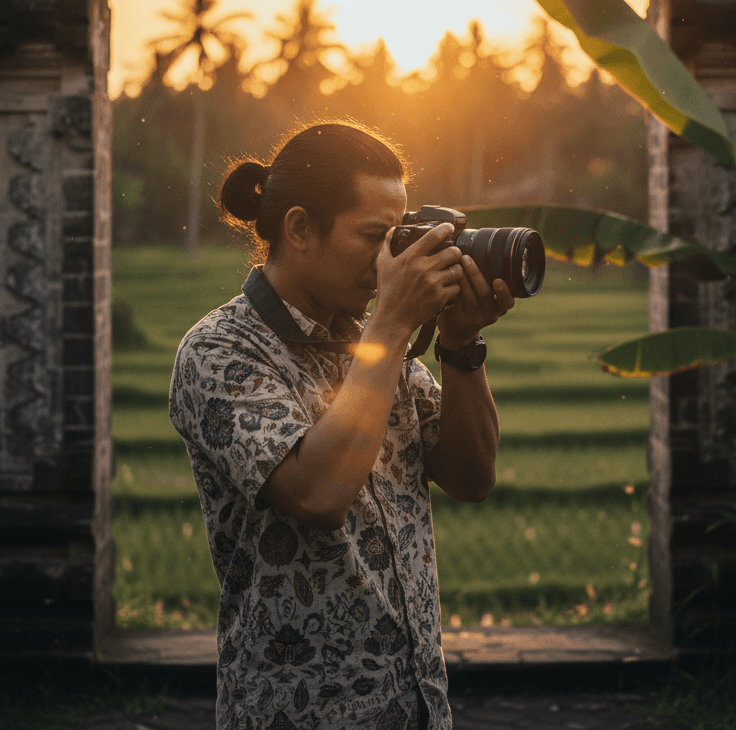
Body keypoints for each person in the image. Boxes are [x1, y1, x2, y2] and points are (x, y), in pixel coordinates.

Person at [169, 121, 515, 729]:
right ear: (300, 229)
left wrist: (460, 344)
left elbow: (471, 476)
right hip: (298, 714)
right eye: (373, 237)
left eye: (398, 235)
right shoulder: (219, 351)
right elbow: (318, 491)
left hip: (416, 708)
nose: (392, 259)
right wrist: (391, 324)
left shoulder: (378, 342)